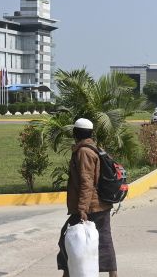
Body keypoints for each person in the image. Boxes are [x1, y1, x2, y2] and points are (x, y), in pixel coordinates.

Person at [57, 118, 118, 277]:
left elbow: (87, 182)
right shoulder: (95, 148)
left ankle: (67, 273)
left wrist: (82, 209)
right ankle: (113, 274)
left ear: (75, 133)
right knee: (104, 241)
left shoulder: (84, 152)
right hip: (101, 205)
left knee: (66, 239)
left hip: (90, 206)